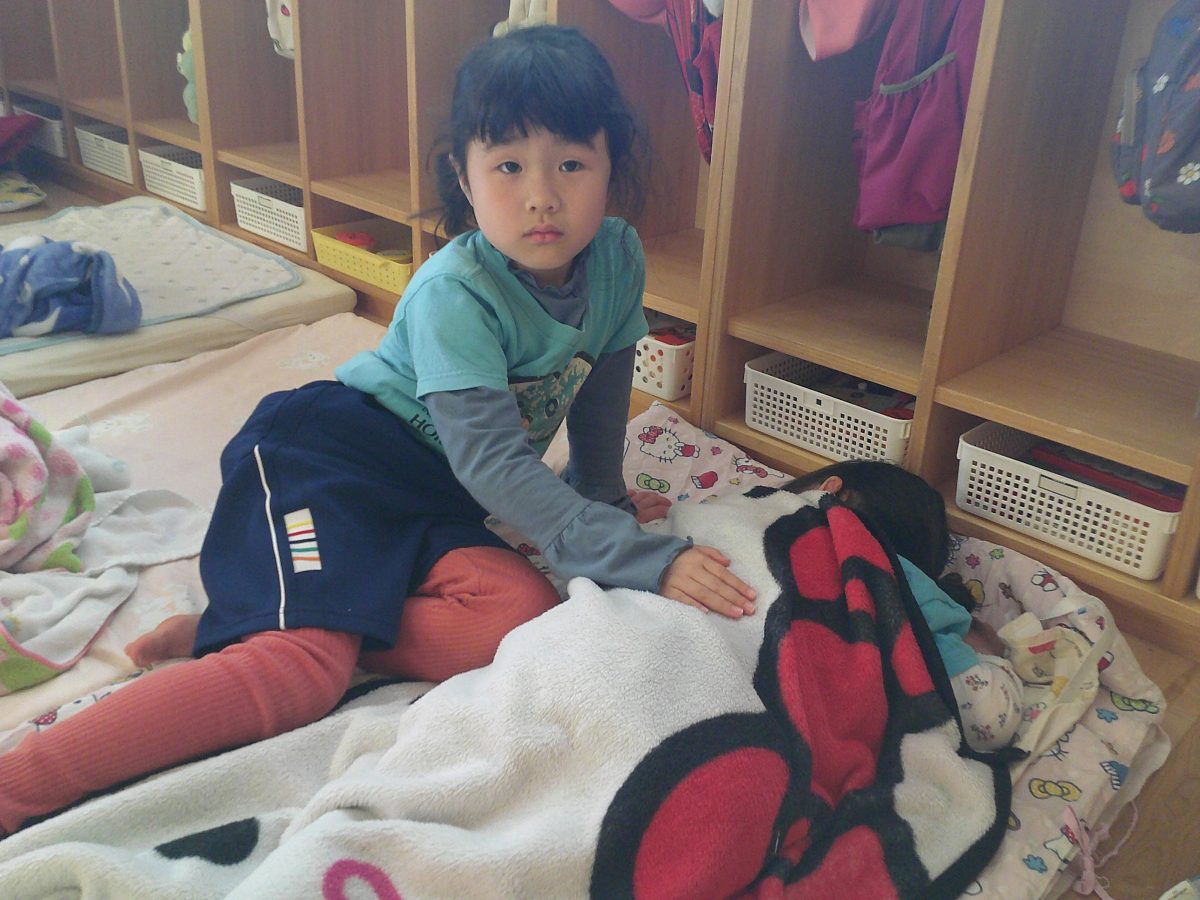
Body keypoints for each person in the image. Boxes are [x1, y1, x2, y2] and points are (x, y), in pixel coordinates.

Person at [0, 24, 757, 837]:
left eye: (571, 164)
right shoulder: (456, 292)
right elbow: (492, 460)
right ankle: (22, 783)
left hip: (435, 496)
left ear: (612, 166)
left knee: (517, 613)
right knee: (300, 672)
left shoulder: (617, 256)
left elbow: (603, 381)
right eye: (508, 166)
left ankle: (278, 608)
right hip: (327, 459)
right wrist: (631, 554)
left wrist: (600, 496)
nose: (542, 195)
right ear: (464, 178)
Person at [785, 460, 1021, 752]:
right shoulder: (903, 583)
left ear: (829, 490)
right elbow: (989, 718)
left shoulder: (892, 578)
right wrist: (996, 662)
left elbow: (986, 717)